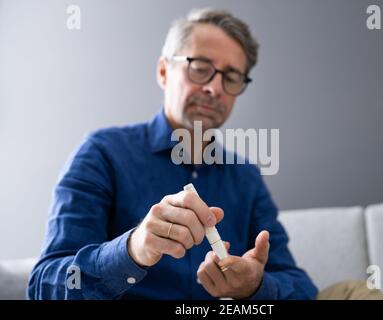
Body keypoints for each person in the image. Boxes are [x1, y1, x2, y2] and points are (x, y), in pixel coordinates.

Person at [27, 8, 320, 300]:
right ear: (164, 71)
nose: (214, 88)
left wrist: (256, 286)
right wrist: (133, 249)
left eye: (231, 77)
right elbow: (43, 286)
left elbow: (301, 287)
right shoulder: (102, 153)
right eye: (200, 67)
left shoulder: (245, 177)